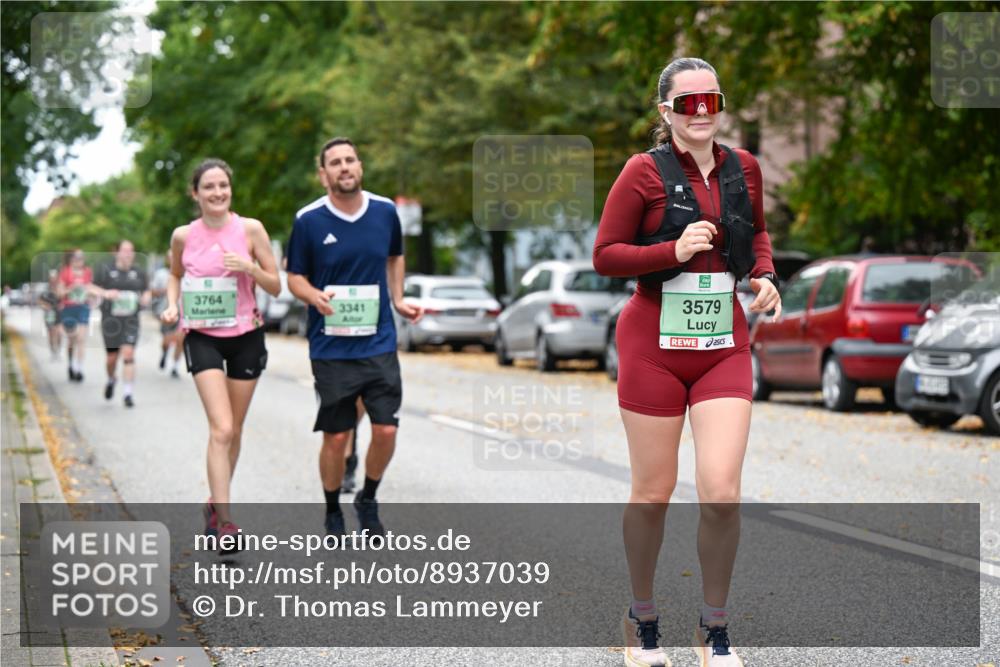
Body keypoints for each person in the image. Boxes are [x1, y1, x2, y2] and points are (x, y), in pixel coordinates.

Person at [592, 57, 782, 667]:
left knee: (722, 492)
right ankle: (643, 621)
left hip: (722, 343)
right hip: (653, 344)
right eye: (688, 102)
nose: (701, 112)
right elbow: (605, 255)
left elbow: (754, 235)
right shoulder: (641, 172)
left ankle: (714, 628)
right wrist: (669, 249)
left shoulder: (744, 168)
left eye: (712, 100)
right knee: (654, 490)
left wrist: (764, 275)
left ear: (720, 106)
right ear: (666, 111)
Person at [287, 137, 422, 538]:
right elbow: (294, 276)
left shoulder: (385, 212)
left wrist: (397, 298)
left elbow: (395, 256)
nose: (344, 167)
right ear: (323, 173)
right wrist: (313, 296)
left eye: (350, 160)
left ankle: (368, 497)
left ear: (359, 167)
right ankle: (332, 509)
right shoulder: (309, 220)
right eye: (335, 162)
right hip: (331, 346)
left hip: (378, 341)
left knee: (386, 429)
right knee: (337, 435)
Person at [160, 158, 280, 552]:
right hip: (203, 337)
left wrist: (249, 267)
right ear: (195, 193)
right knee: (222, 429)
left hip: (246, 335)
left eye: (223, 186)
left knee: (236, 430)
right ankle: (226, 523)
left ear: (231, 189)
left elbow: (276, 285)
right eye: (208, 187)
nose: (217, 193)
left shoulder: (250, 229)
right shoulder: (183, 235)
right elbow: (174, 273)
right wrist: (173, 305)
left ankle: (214, 502)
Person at [95, 240, 151, 407]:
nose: (128, 254)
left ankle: (128, 394)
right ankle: (112, 379)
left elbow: (147, 289)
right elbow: (90, 287)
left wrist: (146, 297)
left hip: (131, 320)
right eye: (125, 250)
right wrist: (105, 293)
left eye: (131, 251)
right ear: (117, 252)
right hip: (110, 320)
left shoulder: (139, 272)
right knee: (112, 358)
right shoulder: (106, 270)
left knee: (128, 354)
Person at [58, 249, 96, 382]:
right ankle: (70, 365)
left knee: (81, 338)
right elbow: (60, 293)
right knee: (72, 339)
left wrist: (91, 296)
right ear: (71, 259)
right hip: (69, 308)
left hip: (83, 307)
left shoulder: (87, 272)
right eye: (76, 257)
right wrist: (71, 288)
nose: (79, 260)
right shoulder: (65, 272)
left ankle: (79, 369)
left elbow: (91, 289)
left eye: (81, 257)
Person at [151, 249, 184, 378]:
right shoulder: (161, 274)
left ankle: (175, 366)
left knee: (180, 339)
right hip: (166, 310)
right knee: (167, 341)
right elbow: (152, 291)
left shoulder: (187, 274)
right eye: (171, 257)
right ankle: (165, 352)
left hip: (184, 312)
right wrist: (166, 290)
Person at [39, 270, 63, 360]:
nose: (53, 280)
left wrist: (62, 305)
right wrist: (45, 306)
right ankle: (53, 352)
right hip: (49, 314)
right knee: (51, 334)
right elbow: (40, 301)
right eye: (52, 278)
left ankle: (59, 350)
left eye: (55, 278)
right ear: (49, 279)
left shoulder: (60, 288)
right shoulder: (46, 289)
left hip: (58, 313)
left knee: (59, 333)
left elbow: (64, 298)